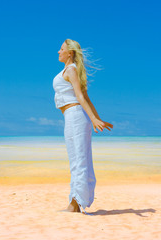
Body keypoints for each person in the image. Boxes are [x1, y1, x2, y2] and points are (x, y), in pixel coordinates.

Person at [53, 39, 113, 214]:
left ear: (69, 53)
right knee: (77, 160)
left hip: (76, 117)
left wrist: (94, 119)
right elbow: (85, 96)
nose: (58, 51)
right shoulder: (68, 70)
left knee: (79, 161)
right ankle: (75, 202)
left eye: (61, 49)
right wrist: (96, 118)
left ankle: (75, 205)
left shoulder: (71, 70)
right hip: (74, 117)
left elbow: (80, 96)